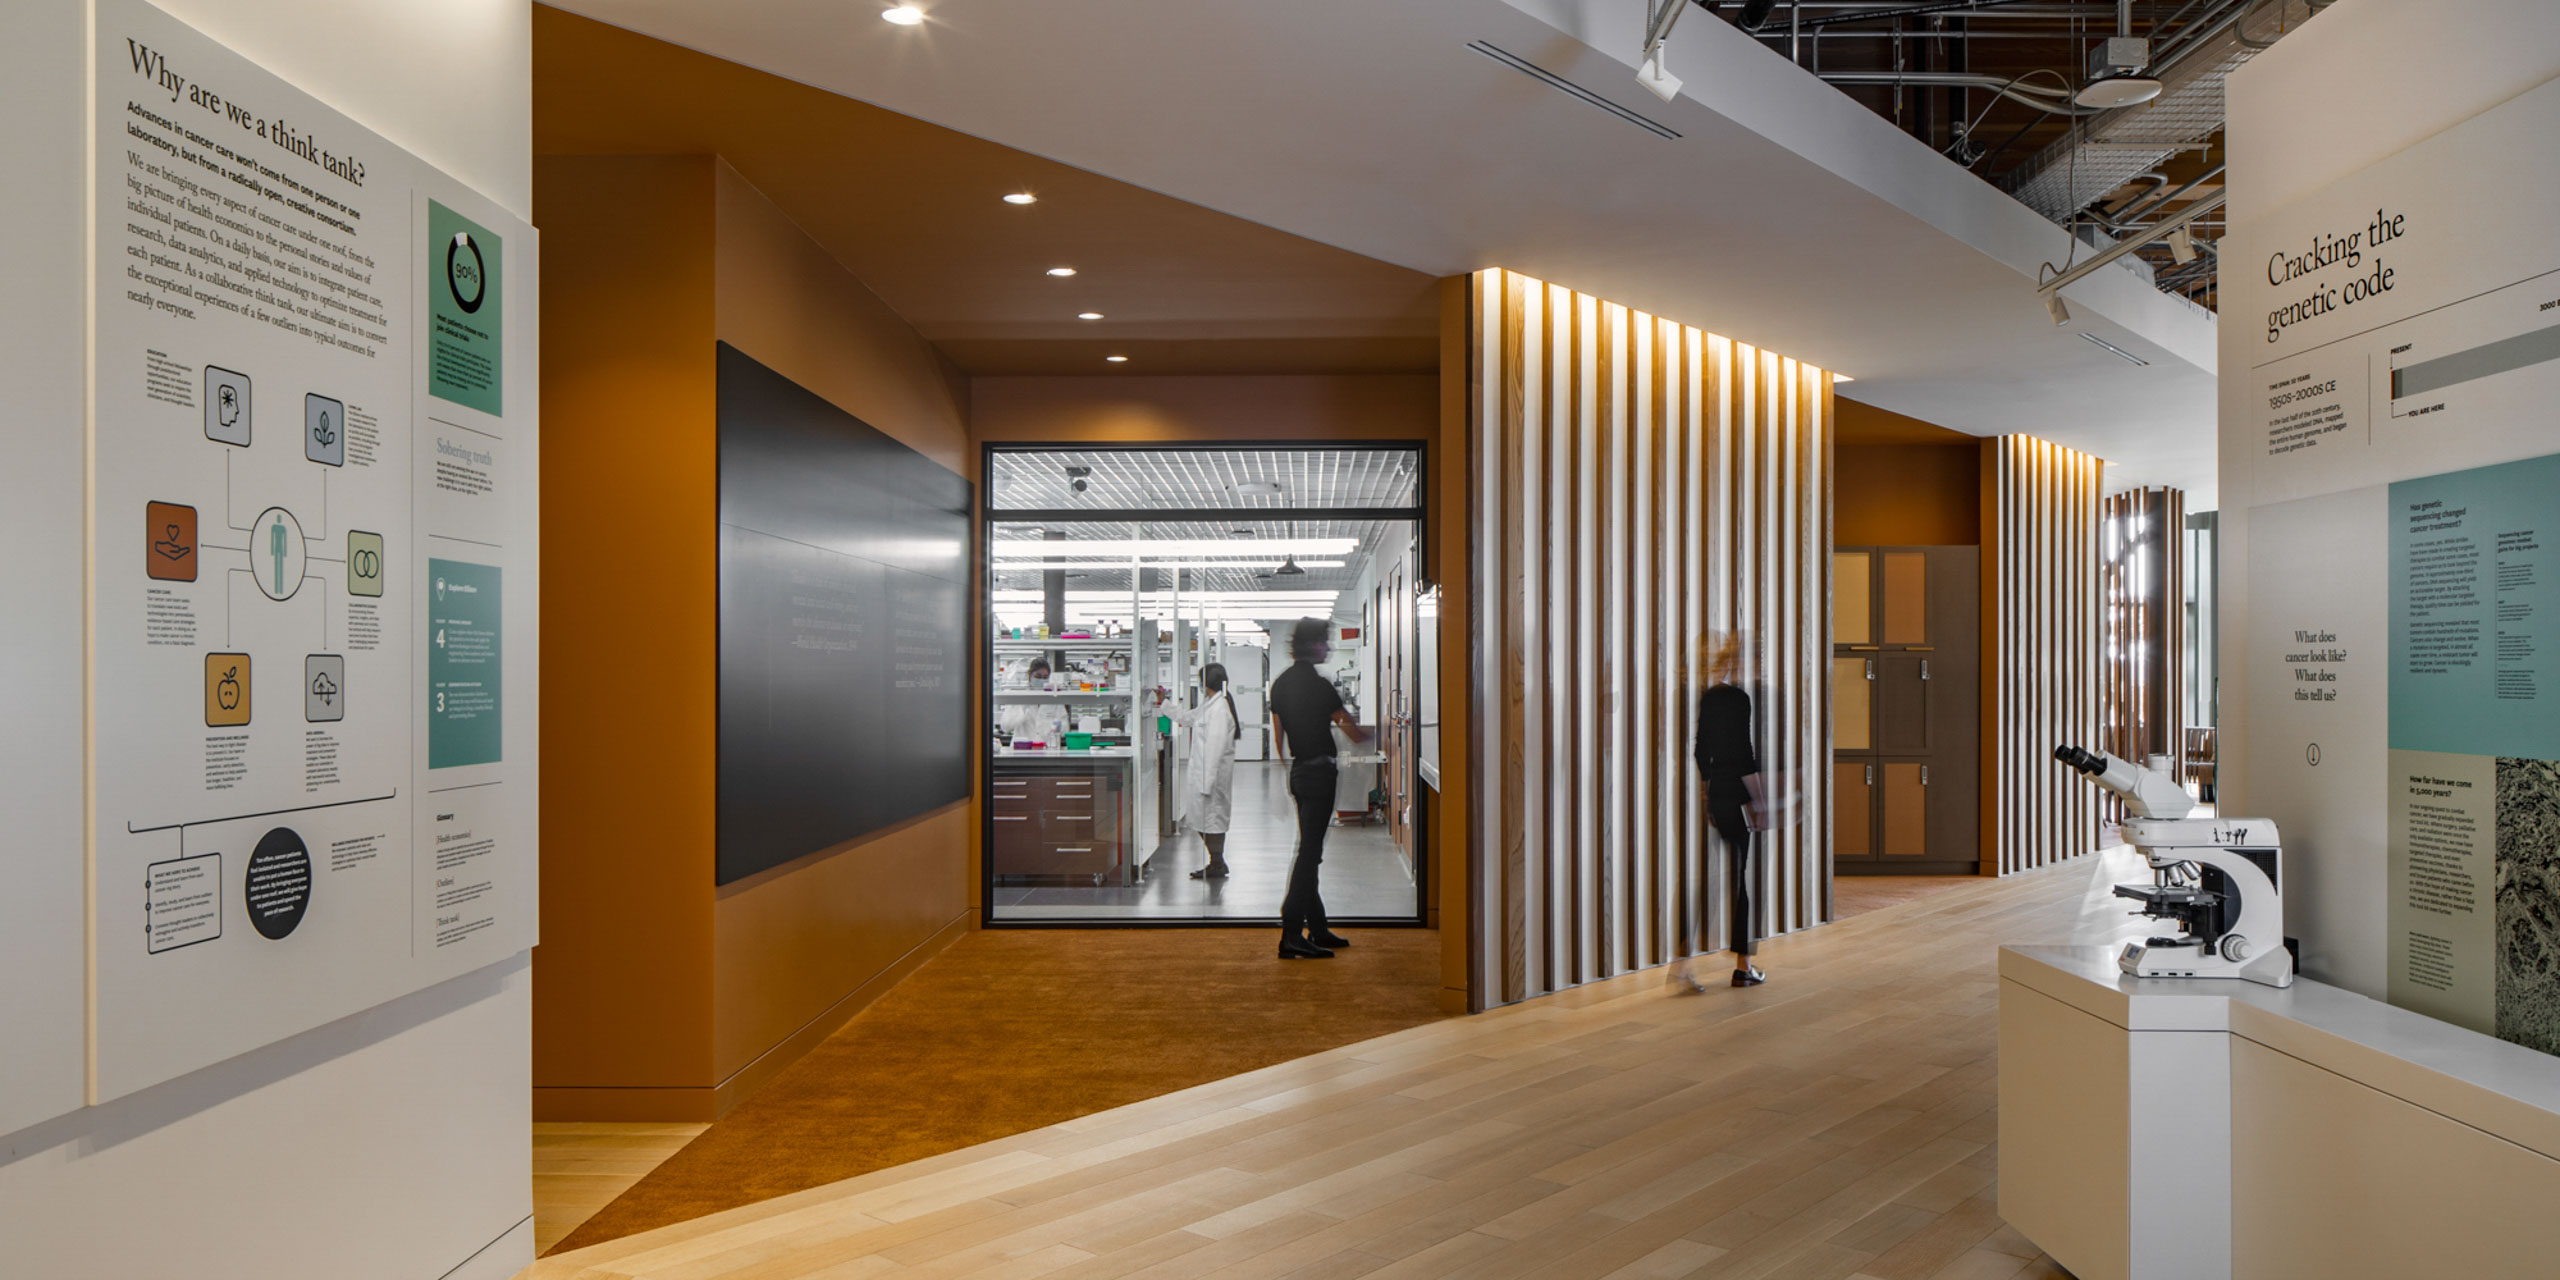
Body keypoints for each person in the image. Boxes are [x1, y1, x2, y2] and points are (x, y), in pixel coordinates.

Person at [1675, 631, 1770, 992]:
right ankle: (1743, 966)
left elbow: (1700, 751)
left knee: (1705, 879)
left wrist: (1705, 794)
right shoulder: (1738, 699)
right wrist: (1758, 802)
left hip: (1714, 794)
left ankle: (1682, 967)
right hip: (1735, 795)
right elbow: (1745, 755)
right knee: (1740, 879)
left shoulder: (1706, 697)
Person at [1269, 617, 1364, 959]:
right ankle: (1291, 933)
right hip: (1320, 775)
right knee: (1309, 854)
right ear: (1313, 645)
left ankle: (1319, 928)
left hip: (1299, 774)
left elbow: (1278, 738)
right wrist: (1382, 732)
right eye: (1325, 642)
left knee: (1309, 850)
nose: (1329, 647)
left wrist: (1287, 771)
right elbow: (1353, 732)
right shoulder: (1322, 687)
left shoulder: (1279, 685)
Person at [1182, 663, 1241, 880]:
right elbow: (1189, 718)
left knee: (1211, 821)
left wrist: (1206, 783)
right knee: (1204, 820)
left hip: (1211, 777)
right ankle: (1216, 862)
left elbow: (1215, 748)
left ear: (1205, 683)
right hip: (1205, 774)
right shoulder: (1211, 704)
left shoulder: (1219, 709)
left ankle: (1217, 862)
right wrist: (1164, 704)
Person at [997, 656, 1068, 747]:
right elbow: (1005, 727)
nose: (1041, 680)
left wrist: (1058, 727)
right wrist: (1022, 710)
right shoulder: (1019, 696)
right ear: (1029, 674)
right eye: (1038, 676)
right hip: (1022, 750)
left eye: (1045, 677)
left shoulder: (1054, 698)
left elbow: (1065, 730)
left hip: (1047, 750)